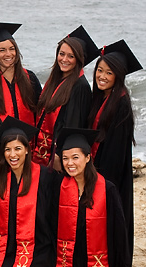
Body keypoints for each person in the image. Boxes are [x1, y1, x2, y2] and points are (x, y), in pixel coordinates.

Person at [53, 128, 132, 267]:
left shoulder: (107, 190)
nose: (70, 163)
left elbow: (118, 235)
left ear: (88, 158)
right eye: (65, 158)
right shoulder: (61, 187)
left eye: (75, 157)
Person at [0, 117, 56, 267]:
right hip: (8, 248)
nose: (12, 154)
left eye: (17, 148)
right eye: (7, 149)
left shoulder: (45, 177)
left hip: (39, 247)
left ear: (27, 150)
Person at [89, 40, 141, 254]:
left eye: (109, 73)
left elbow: (116, 153)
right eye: (99, 70)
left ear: (118, 76)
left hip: (110, 175)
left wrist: (101, 180)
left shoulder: (121, 105)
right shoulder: (102, 97)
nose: (102, 76)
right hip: (97, 169)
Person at [33, 26, 99, 169]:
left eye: (71, 56)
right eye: (61, 54)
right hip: (46, 151)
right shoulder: (56, 79)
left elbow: (73, 125)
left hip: (60, 157)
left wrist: (61, 155)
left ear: (79, 59)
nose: (64, 59)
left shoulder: (80, 86)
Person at [0, 22, 42, 126]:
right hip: (0, 141)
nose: (8, 54)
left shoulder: (30, 78)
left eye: (12, 49)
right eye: (2, 50)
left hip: (29, 140)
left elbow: (41, 111)